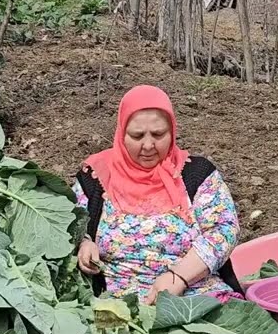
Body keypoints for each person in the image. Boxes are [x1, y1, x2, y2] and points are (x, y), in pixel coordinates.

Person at [74, 85, 242, 304]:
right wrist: (83, 244)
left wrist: (179, 277)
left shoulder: (197, 174)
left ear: (172, 131)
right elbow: (70, 224)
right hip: (120, 304)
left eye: (158, 134)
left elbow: (223, 231)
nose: (148, 145)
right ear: (121, 134)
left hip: (196, 294)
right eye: (137, 136)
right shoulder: (94, 177)